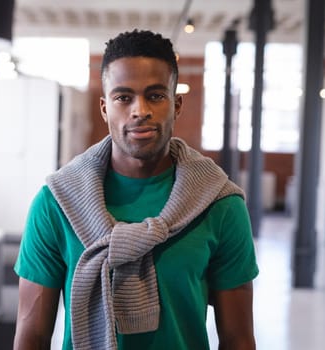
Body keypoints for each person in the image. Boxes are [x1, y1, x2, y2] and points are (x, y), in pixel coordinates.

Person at [13, 29, 259, 350]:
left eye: (155, 95)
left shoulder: (220, 204)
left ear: (177, 104)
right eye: (123, 97)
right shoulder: (57, 203)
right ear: (105, 108)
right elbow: (31, 336)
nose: (140, 110)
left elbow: (238, 339)